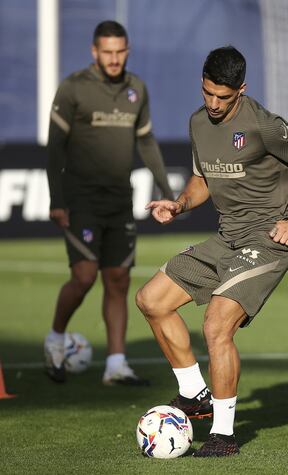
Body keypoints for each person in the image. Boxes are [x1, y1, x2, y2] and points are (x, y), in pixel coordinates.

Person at [135, 46, 288, 456]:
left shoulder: (263, 124)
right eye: (208, 93)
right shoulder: (198, 122)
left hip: (266, 243)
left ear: (240, 90)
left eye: (223, 97)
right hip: (226, 239)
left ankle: (223, 436)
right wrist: (180, 204)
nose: (213, 104)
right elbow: (202, 180)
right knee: (151, 299)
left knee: (215, 325)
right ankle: (194, 394)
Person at [44, 20, 173, 385]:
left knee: (117, 279)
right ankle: (55, 338)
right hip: (81, 199)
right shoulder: (73, 88)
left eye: (120, 52)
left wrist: (166, 189)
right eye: (107, 52)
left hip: (120, 201)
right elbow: (55, 148)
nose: (114, 59)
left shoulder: (137, 90)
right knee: (84, 276)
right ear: (94, 52)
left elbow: (146, 143)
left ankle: (116, 365)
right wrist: (57, 200)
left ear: (127, 51)